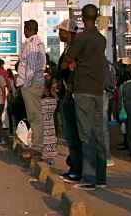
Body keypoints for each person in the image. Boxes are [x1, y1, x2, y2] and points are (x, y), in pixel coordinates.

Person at [63, 4, 108, 191]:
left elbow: (67, 60)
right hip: (98, 89)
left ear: (82, 17)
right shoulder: (101, 39)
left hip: (83, 89)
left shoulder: (82, 38)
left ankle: (88, 178)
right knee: (99, 135)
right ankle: (101, 178)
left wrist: (71, 63)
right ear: (97, 17)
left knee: (86, 135)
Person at [54, 19, 82, 181]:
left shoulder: (74, 51)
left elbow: (72, 74)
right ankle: (74, 166)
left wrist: (67, 94)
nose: (59, 34)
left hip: (71, 96)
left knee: (73, 135)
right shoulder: (69, 49)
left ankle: (77, 169)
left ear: (67, 32)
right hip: (67, 95)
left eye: (60, 31)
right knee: (71, 135)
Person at [17, 19, 47, 160]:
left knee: (35, 116)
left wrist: (26, 84)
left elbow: (32, 67)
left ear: (28, 29)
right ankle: (36, 146)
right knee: (33, 116)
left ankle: (37, 148)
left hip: (32, 83)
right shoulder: (32, 43)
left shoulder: (33, 44)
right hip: (32, 83)